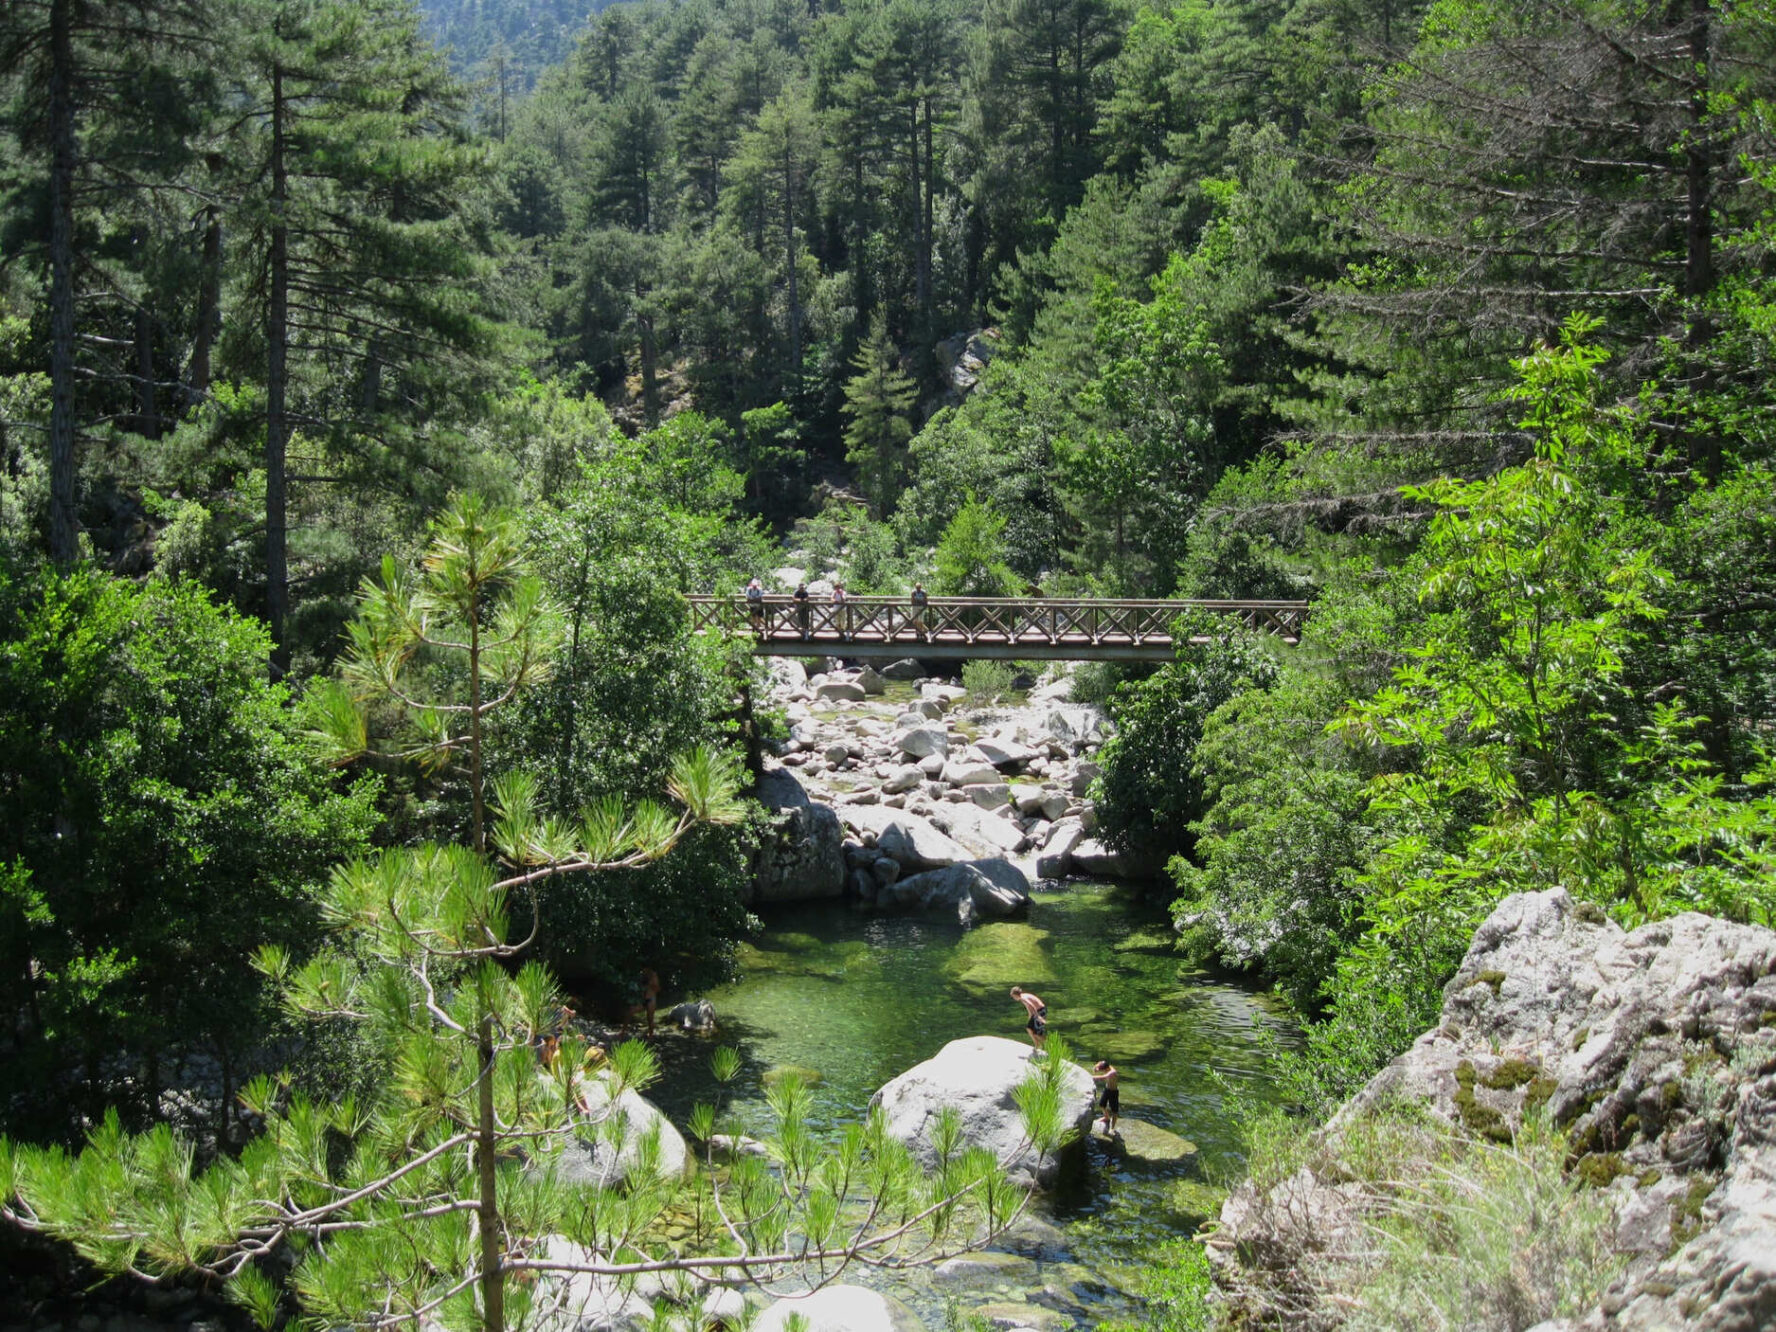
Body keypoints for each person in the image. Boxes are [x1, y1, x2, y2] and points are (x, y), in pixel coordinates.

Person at [1010, 985, 1047, 1054]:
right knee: (1029, 1028)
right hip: (1037, 1011)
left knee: (1037, 1034)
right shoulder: (1023, 996)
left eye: (1013, 997)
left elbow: (1031, 1005)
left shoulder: (1023, 998)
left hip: (1040, 1011)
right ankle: (1037, 1044)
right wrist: (1030, 1016)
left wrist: (1038, 1016)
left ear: (1016, 995)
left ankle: (1050, 1046)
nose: (1013, 998)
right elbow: (1029, 1007)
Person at [1090, 1060, 1120, 1135]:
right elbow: (1098, 1065)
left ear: (1106, 1069)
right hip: (1107, 1089)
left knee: (1114, 1110)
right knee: (1101, 1105)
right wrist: (1096, 1068)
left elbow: (1104, 1077)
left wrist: (1092, 1077)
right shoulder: (1105, 1065)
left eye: (1103, 1070)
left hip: (1114, 1092)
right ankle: (1106, 1117)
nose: (1102, 1071)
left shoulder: (1113, 1072)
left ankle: (1112, 1128)